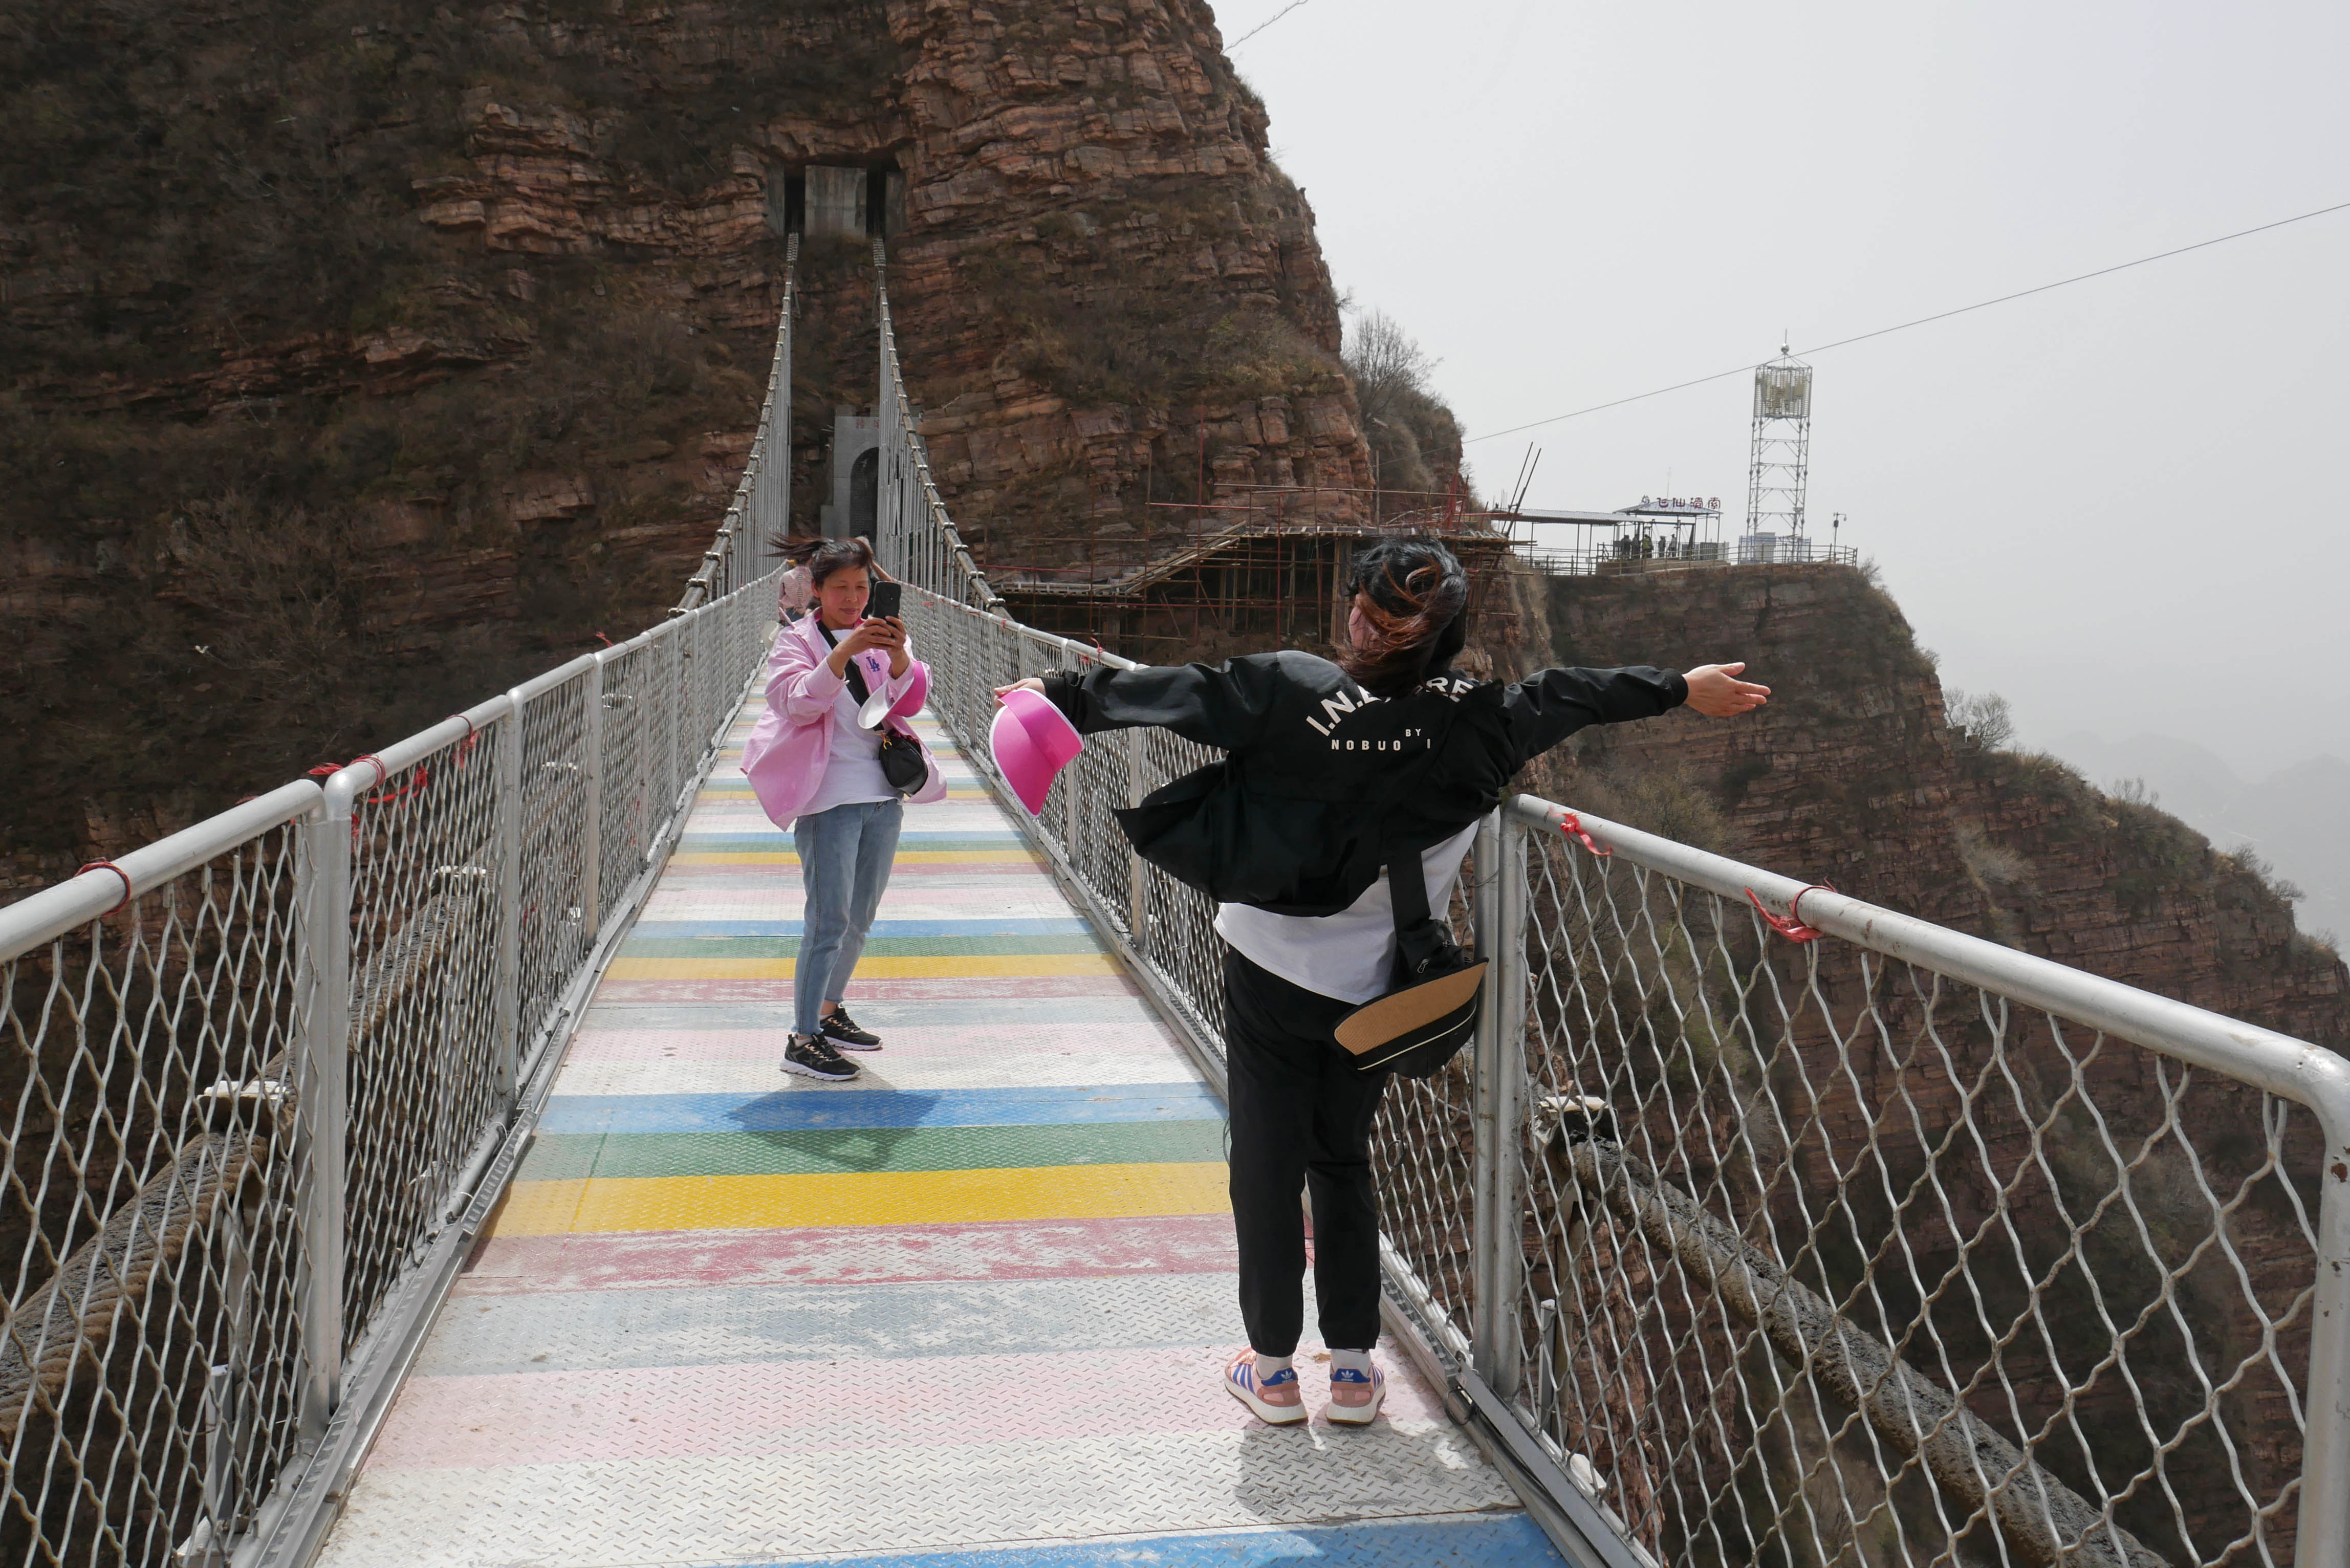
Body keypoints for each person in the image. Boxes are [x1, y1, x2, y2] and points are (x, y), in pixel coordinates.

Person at [994, 538, 1768, 1426]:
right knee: (1341, 1159)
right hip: (1376, 994)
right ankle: (1355, 1370)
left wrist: (1056, 694)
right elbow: (1575, 694)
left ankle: (1273, 1369)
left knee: (1265, 1164)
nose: (1356, 625)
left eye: (1363, 613)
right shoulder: (1484, 722)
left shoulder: (1289, 688)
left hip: (1269, 970)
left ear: (1362, 618)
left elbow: (1177, 692)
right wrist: (1681, 687)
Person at [741, 537, 942, 1082]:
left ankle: (828, 1014)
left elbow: (911, 702)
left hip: (882, 795)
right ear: (815, 589)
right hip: (828, 800)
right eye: (840, 588)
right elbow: (796, 704)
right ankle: (802, 1039)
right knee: (828, 921)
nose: (852, 599)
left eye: (860, 587)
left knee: (859, 920)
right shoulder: (796, 641)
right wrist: (841, 653)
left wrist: (899, 658)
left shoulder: (879, 635)